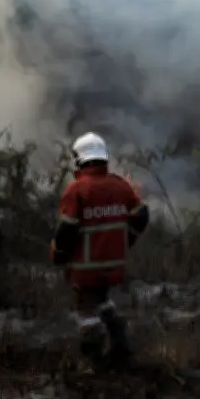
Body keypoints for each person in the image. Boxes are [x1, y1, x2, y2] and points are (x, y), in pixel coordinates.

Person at [50, 131, 149, 369]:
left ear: (79, 159)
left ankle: (94, 366)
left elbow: (67, 229)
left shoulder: (77, 190)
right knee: (102, 300)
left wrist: (58, 254)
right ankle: (120, 346)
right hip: (113, 266)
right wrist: (127, 240)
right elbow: (142, 214)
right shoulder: (120, 186)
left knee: (85, 311)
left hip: (85, 269)